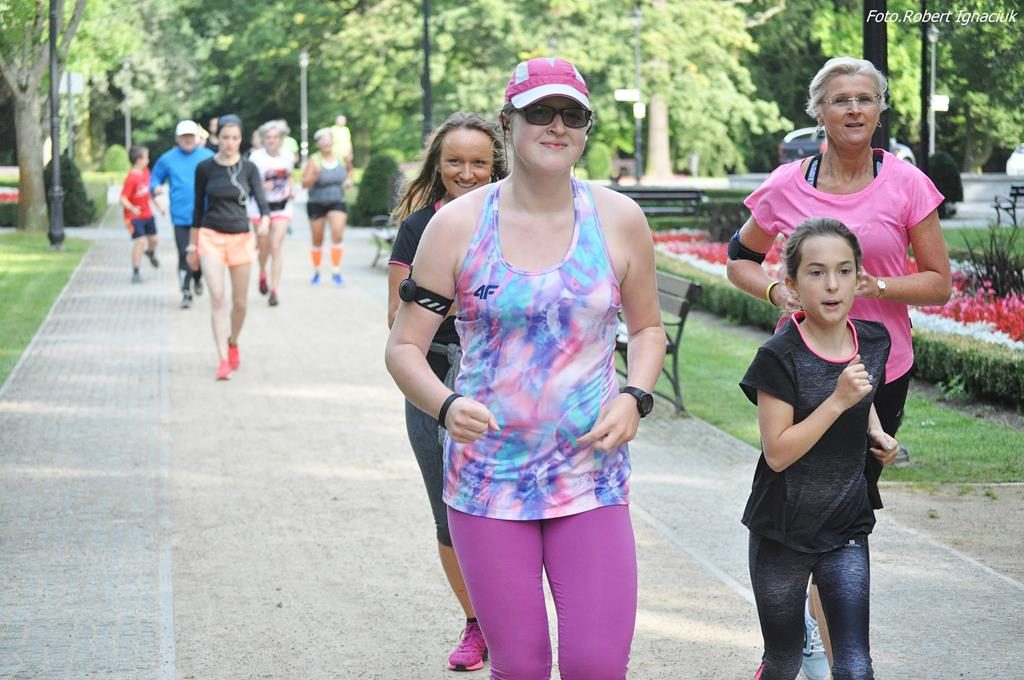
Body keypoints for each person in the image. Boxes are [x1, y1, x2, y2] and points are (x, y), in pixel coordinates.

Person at [385, 57, 665, 678]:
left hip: (589, 476)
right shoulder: (456, 225)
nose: (556, 125)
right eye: (540, 112)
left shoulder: (618, 219)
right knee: (521, 666)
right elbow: (403, 346)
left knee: (597, 666)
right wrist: (446, 406)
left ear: (586, 128)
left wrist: (635, 396)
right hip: (489, 478)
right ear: (508, 123)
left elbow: (648, 329)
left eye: (572, 114)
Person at [725, 56, 952, 679]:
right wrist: (776, 290)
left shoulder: (907, 183)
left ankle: (833, 654)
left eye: (865, 99)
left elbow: (939, 283)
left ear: (880, 110)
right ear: (818, 111)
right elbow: (739, 259)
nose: (854, 109)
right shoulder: (785, 184)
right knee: (797, 493)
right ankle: (798, 637)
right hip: (800, 369)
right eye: (840, 99)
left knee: (846, 508)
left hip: (879, 366)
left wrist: (876, 284)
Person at [741, 218, 899, 680]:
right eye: (816, 272)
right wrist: (837, 401)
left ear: (858, 277)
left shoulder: (873, 341)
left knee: (855, 666)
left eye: (844, 271)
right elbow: (778, 452)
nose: (832, 284)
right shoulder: (778, 356)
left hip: (845, 524)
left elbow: (863, 397)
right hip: (782, 532)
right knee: (784, 661)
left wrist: (878, 434)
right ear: (791, 284)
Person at [387, 111, 508, 672]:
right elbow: (397, 321)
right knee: (448, 513)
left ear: (496, 166)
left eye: (478, 162)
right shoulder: (418, 228)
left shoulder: (519, 222)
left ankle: (517, 618)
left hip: (508, 383)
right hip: (436, 382)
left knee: (515, 508)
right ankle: (477, 622)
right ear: (437, 165)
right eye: (454, 161)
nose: (466, 172)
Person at [188, 114, 269, 380]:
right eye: (225, 137)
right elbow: (197, 209)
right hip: (210, 236)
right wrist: (192, 247)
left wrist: (265, 221)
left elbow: (261, 201)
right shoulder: (205, 168)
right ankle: (223, 359)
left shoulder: (249, 168)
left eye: (234, 138)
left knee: (240, 303)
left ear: (240, 139)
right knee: (218, 297)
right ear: (218, 138)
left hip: (241, 238)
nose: (230, 143)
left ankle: (233, 341)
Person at [151, 119, 215, 309]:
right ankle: (186, 291)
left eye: (190, 136)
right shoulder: (168, 158)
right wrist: (155, 188)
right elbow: (154, 178)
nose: (187, 139)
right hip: (181, 215)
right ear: (177, 138)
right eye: (184, 136)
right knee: (184, 252)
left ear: (196, 137)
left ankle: (197, 277)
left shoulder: (208, 157)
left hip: (205, 215)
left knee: (201, 253)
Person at [248, 121, 295, 306]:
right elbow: (249, 182)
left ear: (281, 139)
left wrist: (291, 189)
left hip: (282, 207)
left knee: (276, 247)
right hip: (260, 209)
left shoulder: (288, 156)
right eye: (268, 137)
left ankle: (274, 290)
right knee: (264, 247)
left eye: (275, 137)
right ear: (263, 139)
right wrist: (261, 186)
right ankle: (262, 273)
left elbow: (290, 176)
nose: (271, 140)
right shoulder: (256, 158)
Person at [302, 128, 352, 286]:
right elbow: (304, 183)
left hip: (337, 201)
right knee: (318, 239)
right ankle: (317, 272)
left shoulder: (341, 157)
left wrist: (348, 180)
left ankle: (336, 272)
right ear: (317, 144)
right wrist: (315, 175)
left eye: (328, 139)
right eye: (322, 140)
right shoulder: (314, 160)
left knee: (337, 234)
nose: (325, 142)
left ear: (332, 142)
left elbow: (350, 170)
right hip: (317, 202)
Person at [120, 145, 164, 283]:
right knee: (140, 241)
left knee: (154, 240)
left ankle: (150, 252)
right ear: (139, 160)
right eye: (146, 158)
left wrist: (160, 207)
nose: (148, 160)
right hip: (134, 217)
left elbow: (149, 193)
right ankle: (136, 272)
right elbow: (123, 199)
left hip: (147, 214)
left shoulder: (146, 172)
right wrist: (132, 208)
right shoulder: (131, 178)